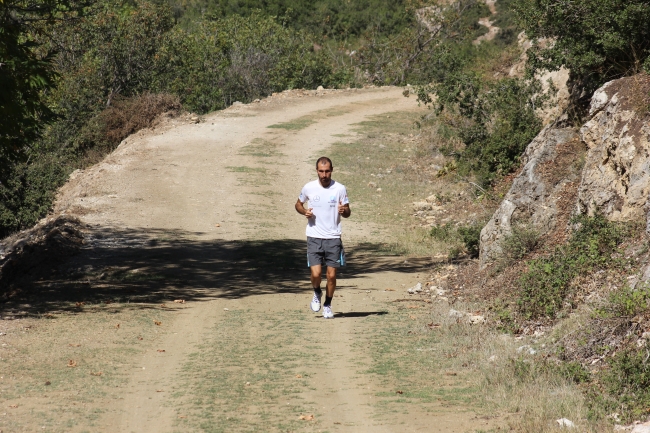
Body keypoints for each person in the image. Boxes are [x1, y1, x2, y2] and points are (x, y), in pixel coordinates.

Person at [295, 157, 351, 319]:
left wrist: (343, 210)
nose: (324, 174)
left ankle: (327, 304)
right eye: (321, 171)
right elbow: (298, 204)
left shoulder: (339, 188)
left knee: (332, 276)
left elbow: (348, 212)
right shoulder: (309, 187)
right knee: (316, 274)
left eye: (327, 171)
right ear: (317, 171)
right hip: (314, 236)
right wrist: (304, 211)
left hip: (333, 238)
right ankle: (317, 292)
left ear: (332, 170)